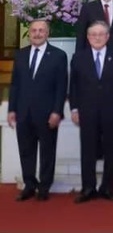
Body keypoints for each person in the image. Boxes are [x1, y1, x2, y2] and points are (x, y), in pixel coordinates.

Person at [69, 21, 113, 203]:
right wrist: (74, 108)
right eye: (93, 34)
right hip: (87, 111)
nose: (97, 37)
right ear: (88, 37)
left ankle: (108, 187)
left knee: (111, 150)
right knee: (87, 150)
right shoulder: (78, 58)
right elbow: (73, 86)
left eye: (101, 34)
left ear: (108, 37)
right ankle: (88, 187)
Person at [7, 20, 68, 201]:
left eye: (41, 30)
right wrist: (11, 109)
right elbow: (15, 84)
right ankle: (29, 185)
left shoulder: (58, 55)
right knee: (26, 151)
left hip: (47, 113)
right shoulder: (20, 55)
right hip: (23, 112)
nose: (37, 33)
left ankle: (44, 187)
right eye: (34, 30)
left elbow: (61, 86)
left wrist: (57, 111)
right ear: (29, 33)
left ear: (48, 33)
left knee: (47, 151)